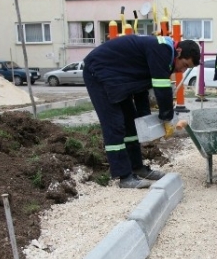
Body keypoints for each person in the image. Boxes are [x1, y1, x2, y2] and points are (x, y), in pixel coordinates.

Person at [83, 35, 201, 188]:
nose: (182, 70)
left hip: (118, 78)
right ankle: (124, 176)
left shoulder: (164, 54)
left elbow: (142, 89)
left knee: (131, 124)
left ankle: (137, 168)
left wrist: (145, 121)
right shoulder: (162, 50)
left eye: (187, 69)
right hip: (98, 73)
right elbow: (162, 88)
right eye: (184, 64)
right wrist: (167, 118)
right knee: (114, 125)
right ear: (178, 52)